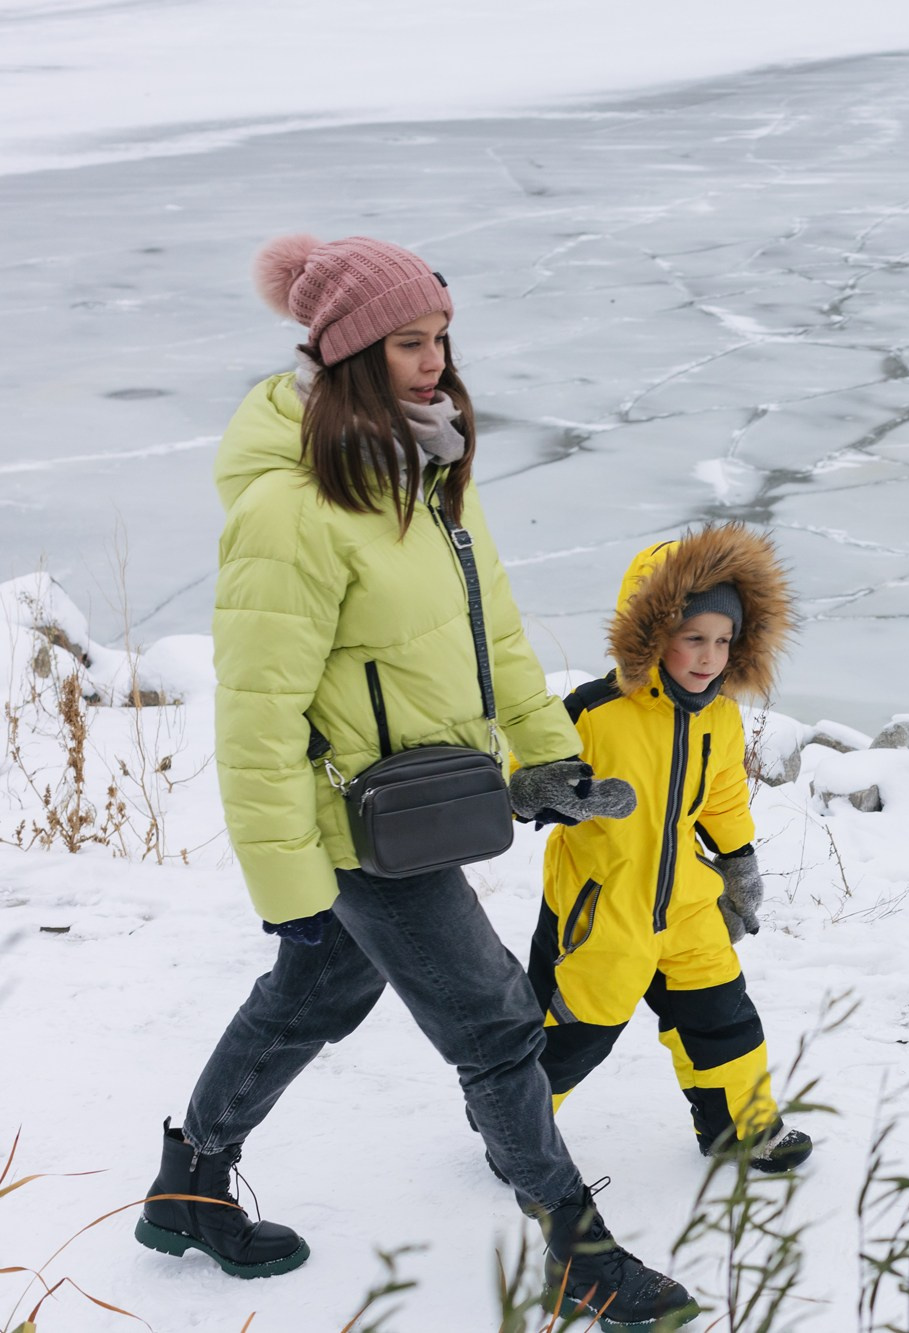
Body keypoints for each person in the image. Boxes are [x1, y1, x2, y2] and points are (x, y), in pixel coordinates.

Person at [134, 233, 697, 1330]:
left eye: (439, 337)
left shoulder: (427, 472)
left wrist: (545, 755)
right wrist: (290, 888)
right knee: (494, 1024)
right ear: (348, 354)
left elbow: (494, 637)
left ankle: (190, 1184)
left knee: (316, 995)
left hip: (424, 800)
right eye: (406, 343)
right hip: (357, 823)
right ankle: (579, 1256)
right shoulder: (292, 510)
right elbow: (255, 719)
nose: (433, 361)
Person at [526, 524, 811, 1173]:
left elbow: (722, 797)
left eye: (722, 640)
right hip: (605, 903)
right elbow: (529, 767)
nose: (709, 656)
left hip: (684, 897)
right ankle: (516, 1127)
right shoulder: (597, 711)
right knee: (573, 1030)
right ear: (654, 634)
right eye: (693, 638)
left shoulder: (719, 714)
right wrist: (553, 788)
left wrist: (738, 863)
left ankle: (737, 1124)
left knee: (723, 1014)